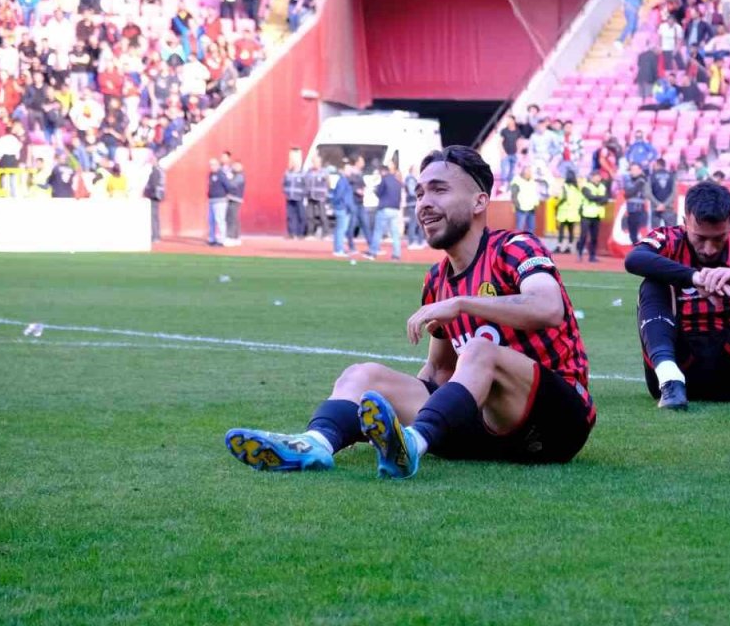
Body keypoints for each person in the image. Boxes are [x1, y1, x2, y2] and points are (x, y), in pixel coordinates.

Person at [226, 146, 596, 477]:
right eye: (419, 193)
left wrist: (461, 304)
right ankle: (315, 444)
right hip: (484, 430)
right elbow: (438, 370)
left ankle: (412, 443)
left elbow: (549, 308)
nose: (423, 203)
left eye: (439, 189)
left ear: (479, 202)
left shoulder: (514, 246)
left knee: (479, 351)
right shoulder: (437, 279)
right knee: (363, 374)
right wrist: (395, 408)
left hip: (555, 425)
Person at [625, 181, 730, 412]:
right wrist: (694, 278)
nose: (709, 249)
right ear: (685, 221)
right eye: (700, 238)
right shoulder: (668, 239)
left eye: (718, 238)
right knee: (654, 283)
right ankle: (669, 378)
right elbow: (634, 259)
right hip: (679, 366)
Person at [367, 163, 404, 261]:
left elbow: (379, 193)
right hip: (395, 209)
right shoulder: (397, 181)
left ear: (383, 171)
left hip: (384, 209)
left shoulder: (384, 180)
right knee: (395, 234)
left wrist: (375, 190)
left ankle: (373, 252)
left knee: (378, 231)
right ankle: (396, 255)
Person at [577, 170, 608, 262]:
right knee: (584, 235)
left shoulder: (602, 187)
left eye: (598, 176)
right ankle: (580, 253)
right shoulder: (586, 187)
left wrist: (598, 198)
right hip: (586, 214)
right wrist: (600, 198)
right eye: (595, 176)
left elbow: (605, 199)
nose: (597, 178)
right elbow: (590, 197)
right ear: (591, 177)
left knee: (594, 237)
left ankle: (592, 255)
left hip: (597, 215)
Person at [554, 169, 582, 254]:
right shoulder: (577, 189)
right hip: (573, 212)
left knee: (561, 230)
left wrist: (557, 205)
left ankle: (559, 246)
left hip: (563, 211)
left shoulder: (565, 187)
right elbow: (579, 201)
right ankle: (569, 247)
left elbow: (562, 198)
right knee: (571, 231)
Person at [282, 148, 307, 239]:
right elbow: (283, 183)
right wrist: (285, 192)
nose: (293, 163)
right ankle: (291, 233)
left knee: (301, 215)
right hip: (290, 197)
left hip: (299, 197)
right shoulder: (287, 173)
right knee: (290, 216)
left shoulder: (303, 173)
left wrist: (303, 194)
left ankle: (300, 233)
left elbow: (306, 185)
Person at [646, 158, 677, 228]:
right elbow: (674, 193)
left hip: (655, 208)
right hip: (668, 208)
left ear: (657, 165)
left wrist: (658, 204)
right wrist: (664, 205)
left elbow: (648, 193)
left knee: (656, 235)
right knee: (670, 233)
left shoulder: (651, 176)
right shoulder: (672, 176)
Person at [509, 166, 541, 234]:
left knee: (531, 228)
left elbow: (535, 193)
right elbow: (513, 195)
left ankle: (530, 243)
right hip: (521, 209)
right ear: (523, 172)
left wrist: (536, 204)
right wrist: (518, 206)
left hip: (532, 208)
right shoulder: (517, 181)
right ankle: (518, 243)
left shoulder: (532, 181)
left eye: (530, 172)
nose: (530, 173)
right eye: (528, 172)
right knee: (519, 228)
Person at [624, 163, 649, 244]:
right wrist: (638, 184)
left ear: (640, 170)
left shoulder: (645, 180)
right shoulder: (629, 179)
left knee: (641, 231)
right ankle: (636, 250)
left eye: (635, 169)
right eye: (631, 169)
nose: (633, 171)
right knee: (632, 232)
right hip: (631, 209)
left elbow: (647, 194)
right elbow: (628, 193)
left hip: (641, 209)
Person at [305, 156, 330, 238]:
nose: (316, 164)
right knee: (310, 216)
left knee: (322, 216)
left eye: (317, 162)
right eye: (314, 162)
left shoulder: (324, 172)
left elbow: (328, 184)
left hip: (321, 197)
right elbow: (305, 183)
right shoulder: (309, 172)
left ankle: (325, 234)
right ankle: (310, 233)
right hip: (310, 196)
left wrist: (325, 192)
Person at [143, 155, 166, 243]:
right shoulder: (159, 170)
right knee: (155, 216)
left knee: (153, 216)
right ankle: (156, 235)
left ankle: (155, 236)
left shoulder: (156, 171)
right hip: (157, 195)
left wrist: (147, 192)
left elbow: (154, 184)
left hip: (154, 196)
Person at [206, 159, 228, 247]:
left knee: (220, 220)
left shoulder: (221, 175)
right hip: (211, 200)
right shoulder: (210, 175)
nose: (212, 167)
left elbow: (228, 185)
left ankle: (222, 240)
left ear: (218, 165)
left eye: (214, 165)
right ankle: (212, 239)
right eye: (211, 165)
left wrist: (224, 194)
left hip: (220, 201)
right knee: (211, 221)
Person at [225, 161, 246, 246]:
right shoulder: (234, 175)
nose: (234, 167)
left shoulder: (240, 176)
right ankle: (236, 237)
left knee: (232, 218)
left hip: (235, 199)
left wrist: (228, 179)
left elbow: (232, 185)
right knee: (233, 218)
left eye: (237, 166)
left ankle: (231, 237)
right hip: (232, 198)